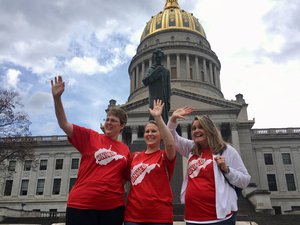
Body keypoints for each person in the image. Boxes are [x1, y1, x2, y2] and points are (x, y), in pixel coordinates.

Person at [51, 76, 130, 225]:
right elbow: (63, 124)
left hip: (112, 207)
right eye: (107, 119)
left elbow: (124, 177)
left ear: (122, 125)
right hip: (82, 204)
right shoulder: (90, 137)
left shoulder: (125, 149)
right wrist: (57, 99)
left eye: (113, 120)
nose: (108, 123)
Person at [167, 106, 251, 225]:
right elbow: (171, 138)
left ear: (210, 129)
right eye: (194, 128)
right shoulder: (191, 148)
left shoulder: (226, 150)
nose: (196, 131)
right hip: (193, 217)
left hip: (219, 218)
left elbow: (245, 180)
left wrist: (227, 170)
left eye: (201, 127)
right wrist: (173, 120)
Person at [124, 99, 176, 225]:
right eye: (147, 131)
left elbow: (170, 145)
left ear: (161, 135)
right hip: (133, 217)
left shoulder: (164, 156)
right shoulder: (134, 156)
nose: (150, 134)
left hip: (159, 217)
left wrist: (158, 118)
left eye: (154, 131)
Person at [143, 49, 171, 124]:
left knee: (164, 121)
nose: (158, 59)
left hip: (163, 99)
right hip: (154, 98)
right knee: (153, 120)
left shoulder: (166, 71)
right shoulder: (150, 70)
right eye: (157, 57)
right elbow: (145, 81)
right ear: (154, 58)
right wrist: (157, 71)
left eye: (160, 57)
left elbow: (168, 87)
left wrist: (168, 101)